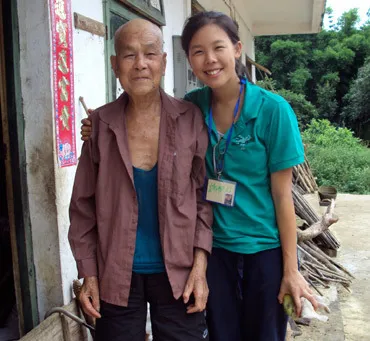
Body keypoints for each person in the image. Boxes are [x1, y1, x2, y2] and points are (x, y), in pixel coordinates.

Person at [80, 11, 318, 341]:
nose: (209, 60)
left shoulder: (268, 110)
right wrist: (97, 125)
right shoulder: (192, 108)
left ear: (237, 49)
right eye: (197, 51)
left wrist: (291, 269)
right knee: (221, 334)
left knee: (264, 334)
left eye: (218, 47)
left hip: (261, 248)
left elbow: (282, 197)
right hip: (216, 248)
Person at [69, 18, 213, 341]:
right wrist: (88, 274)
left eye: (150, 54)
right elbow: (82, 207)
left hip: (180, 272)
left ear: (163, 61)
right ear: (115, 65)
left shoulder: (189, 120)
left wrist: (201, 266)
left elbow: (205, 199)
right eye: (129, 55)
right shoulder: (101, 126)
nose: (141, 65)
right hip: (116, 275)